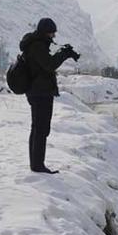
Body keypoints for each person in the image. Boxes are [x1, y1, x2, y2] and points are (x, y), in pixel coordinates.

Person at [19, 18, 80, 174]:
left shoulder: (36, 44)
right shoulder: (37, 46)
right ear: (45, 32)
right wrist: (64, 54)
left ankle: (36, 164)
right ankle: (38, 166)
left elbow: (46, 64)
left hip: (39, 92)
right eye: (52, 33)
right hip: (40, 93)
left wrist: (62, 53)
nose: (53, 36)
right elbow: (49, 65)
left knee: (37, 128)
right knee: (41, 129)